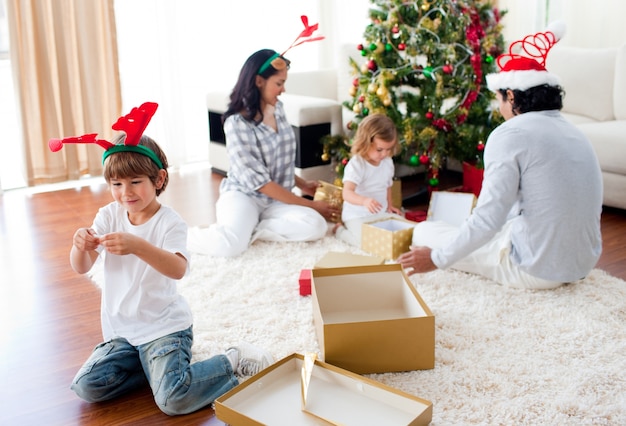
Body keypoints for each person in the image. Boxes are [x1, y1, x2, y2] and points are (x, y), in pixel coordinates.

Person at [62, 122, 273, 415]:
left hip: (164, 330)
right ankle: (156, 371)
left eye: (135, 181)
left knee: (173, 400)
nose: (126, 193)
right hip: (122, 335)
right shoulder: (108, 215)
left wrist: (137, 245)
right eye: (117, 184)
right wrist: (79, 246)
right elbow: (82, 266)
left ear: (159, 179)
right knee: (87, 386)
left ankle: (232, 359)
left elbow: (178, 269)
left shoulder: (169, 221)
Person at [397, 22, 603, 289]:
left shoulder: (509, 134)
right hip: (582, 264)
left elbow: (489, 219)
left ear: (511, 96)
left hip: (536, 270)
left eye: (500, 100)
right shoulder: (576, 133)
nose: (500, 109)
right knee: (471, 227)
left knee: (424, 231)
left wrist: (436, 258)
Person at [188, 48, 339, 257]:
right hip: (245, 196)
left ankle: (250, 229)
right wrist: (311, 204)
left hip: (275, 201)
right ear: (259, 81)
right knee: (228, 247)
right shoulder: (236, 124)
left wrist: (303, 185)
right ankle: (181, 236)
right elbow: (261, 182)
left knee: (316, 226)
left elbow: (278, 162)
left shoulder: (278, 108)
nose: (283, 89)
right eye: (279, 83)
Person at [334, 113, 403, 247]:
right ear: (366, 142)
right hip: (357, 216)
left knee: (402, 232)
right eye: (379, 149)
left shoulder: (387, 162)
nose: (385, 154)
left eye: (388, 149)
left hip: (380, 214)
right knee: (366, 243)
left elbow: (387, 186)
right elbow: (347, 193)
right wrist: (364, 201)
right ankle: (340, 231)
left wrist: (389, 206)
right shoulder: (357, 165)